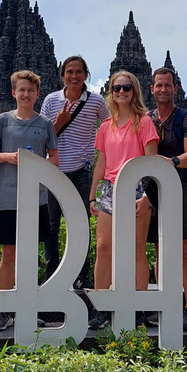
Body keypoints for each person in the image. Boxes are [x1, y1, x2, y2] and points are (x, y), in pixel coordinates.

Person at [0, 70, 59, 331]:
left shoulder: (45, 124)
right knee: (9, 253)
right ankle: (4, 311)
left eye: (30, 90)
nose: (26, 94)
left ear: (37, 94)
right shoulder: (2, 121)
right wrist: (9, 157)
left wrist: (38, 163)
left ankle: (27, 306)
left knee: (31, 255)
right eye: (21, 90)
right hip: (9, 197)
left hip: (36, 198)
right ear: (13, 92)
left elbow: (54, 159)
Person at [87, 70, 158, 329]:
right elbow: (100, 163)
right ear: (111, 92)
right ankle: (101, 307)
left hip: (138, 188)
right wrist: (92, 195)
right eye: (116, 88)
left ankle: (138, 307)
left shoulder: (144, 122)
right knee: (103, 248)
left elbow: (151, 162)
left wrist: (148, 195)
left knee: (137, 249)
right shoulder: (105, 126)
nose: (121, 92)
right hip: (109, 189)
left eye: (126, 88)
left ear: (134, 90)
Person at [40, 56, 110, 288]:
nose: (74, 76)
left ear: (86, 74)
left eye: (78, 71)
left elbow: (111, 127)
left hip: (82, 170)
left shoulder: (96, 102)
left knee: (80, 223)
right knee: (51, 225)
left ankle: (81, 275)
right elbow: (41, 137)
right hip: (54, 170)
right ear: (62, 75)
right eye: (69, 72)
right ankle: (51, 273)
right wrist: (58, 123)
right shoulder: (51, 100)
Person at [144, 67, 187, 331]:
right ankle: (167, 302)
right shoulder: (147, 119)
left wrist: (172, 161)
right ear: (152, 89)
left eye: (168, 85)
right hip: (155, 191)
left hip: (183, 187)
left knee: (186, 251)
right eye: (159, 86)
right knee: (160, 251)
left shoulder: (186, 119)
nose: (163, 90)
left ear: (175, 89)